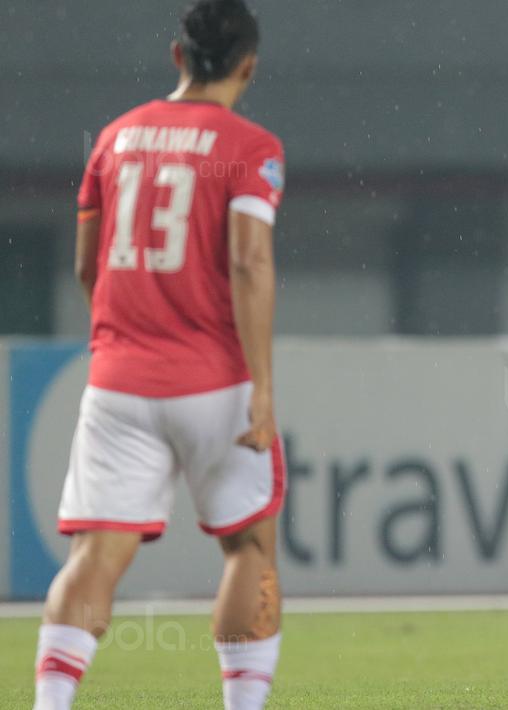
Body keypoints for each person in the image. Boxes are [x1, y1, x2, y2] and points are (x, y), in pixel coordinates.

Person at [34, 2, 285, 708]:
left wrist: (125, 336)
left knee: (94, 558)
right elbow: (248, 262)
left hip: (118, 381)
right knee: (248, 550)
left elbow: (88, 268)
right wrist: (261, 386)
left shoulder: (113, 139)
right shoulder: (251, 146)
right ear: (248, 66)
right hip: (216, 382)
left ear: (178, 56)